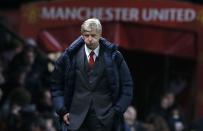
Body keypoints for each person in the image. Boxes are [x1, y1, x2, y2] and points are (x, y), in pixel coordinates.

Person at [50, 18, 133, 131]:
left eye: (93, 35)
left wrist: (117, 110)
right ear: (82, 35)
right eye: (86, 35)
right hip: (75, 119)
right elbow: (56, 85)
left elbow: (127, 85)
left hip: (105, 119)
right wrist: (62, 110)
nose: (90, 39)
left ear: (100, 35)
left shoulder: (114, 56)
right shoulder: (69, 57)